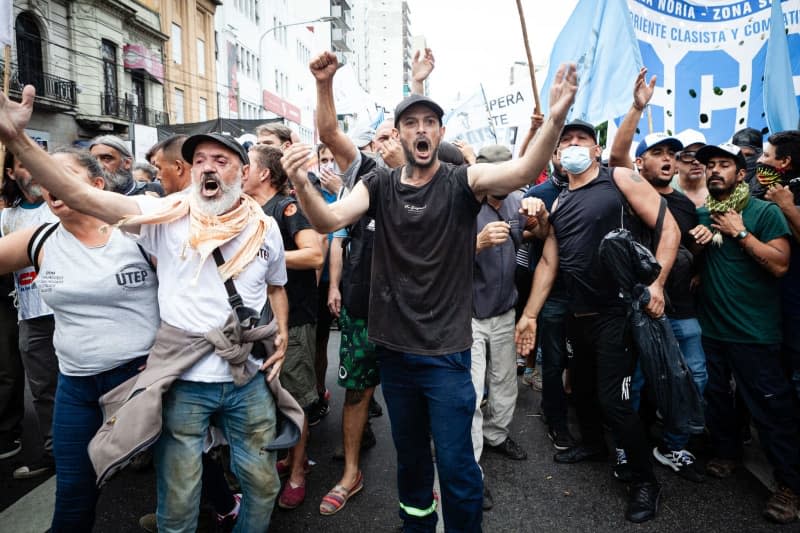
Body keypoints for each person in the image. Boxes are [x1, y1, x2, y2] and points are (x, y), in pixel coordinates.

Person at [286, 50, 578, 532]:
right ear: (399, 135)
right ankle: (417, 526)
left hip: (445, 356)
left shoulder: (464, 181)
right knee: (412, 462)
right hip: (395, 355)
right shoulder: (378, 184)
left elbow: (524, 171)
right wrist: (301, 181)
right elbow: (330, 219)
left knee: (459, 467)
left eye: (430, 123)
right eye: (411, 123)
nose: (421, 130)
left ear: (440, 134)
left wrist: (557, 117)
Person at [0, 83, 290, 532]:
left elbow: (276, 287)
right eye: (199, 161)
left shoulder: (266, 227)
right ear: (190, 170)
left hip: (246, 377)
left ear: (242, 170)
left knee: (262, 483)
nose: (208, 168)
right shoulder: (164, 218)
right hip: (182, 383)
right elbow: (85, 198)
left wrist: (282, 331)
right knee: (176, 499)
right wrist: (18, 141)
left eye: (221, 160)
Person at [515, 111, 682, 522]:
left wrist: (657, 285)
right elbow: (549, 263)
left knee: (615, 401)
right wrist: (531, 316)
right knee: (583, 392)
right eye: (566, 140)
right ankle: (593, 444)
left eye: (581, 139)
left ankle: (645, 482)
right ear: (556, 154)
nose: (573, 145)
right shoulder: (561, 201)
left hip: (618, 314)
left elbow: (669, 229)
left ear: (596, 149)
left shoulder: (619, 179)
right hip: (578, 315)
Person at [0, 147, 159, 531]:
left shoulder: (136, 229)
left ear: (98, 186)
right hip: (76, 384)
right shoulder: (39, 239)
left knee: (184, 469)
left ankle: (224, 503)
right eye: (45, 176)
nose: (51, 182)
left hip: (143, 379)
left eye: (63, 175)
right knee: (74, 490)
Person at [609, 68, 712, 483]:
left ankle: (673, 445)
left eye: (673, 154)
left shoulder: (686, 204)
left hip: (681, 309)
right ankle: (627, 450)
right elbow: (615, 158)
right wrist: (637, 108)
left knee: (695, 375)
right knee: (633, 383)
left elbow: (688, 253)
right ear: (641, 162)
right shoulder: (628, 189)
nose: (669, 159)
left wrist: (701, 248)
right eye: (659, 153)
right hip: (640, 309)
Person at [694, 142, 800, 524]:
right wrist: (697, 251)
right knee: (718, 399)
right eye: (710, 166)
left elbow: (780, 265)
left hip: (756, 334)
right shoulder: (703, 214)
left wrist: (741, 234)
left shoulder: (764, 212)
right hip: (713, 330)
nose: (716, 170)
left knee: (772, 410)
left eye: (725, 164)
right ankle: (726, 453)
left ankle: (790, 486)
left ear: (743, 174)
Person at [244, 143, 324, 510]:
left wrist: (261, 256)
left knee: (293, 399)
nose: (240, 170)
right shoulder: (247, 210)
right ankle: (289, 455)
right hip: (256, 323)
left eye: (247, 165)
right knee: (268, 397)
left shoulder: (287, 208)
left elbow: (314, 254)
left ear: (264, 173)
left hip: (293, 320)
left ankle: (297, 472)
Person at [469, 144, 529, 511]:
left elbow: (533, 239)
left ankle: (496, 436)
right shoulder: (462, 204)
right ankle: (469, 469)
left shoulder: (516, 201)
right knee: (472, 393)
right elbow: (437, 258)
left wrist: (538, 221)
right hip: (469, 315)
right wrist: (475, 243)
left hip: (506, 309)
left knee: (506, 383)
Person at [1, 152, 59, 479]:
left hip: (68, 311)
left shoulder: (59, 205)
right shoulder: (7, 217)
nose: (33, 170)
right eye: (23, 164)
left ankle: (105, 447)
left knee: (86, 385)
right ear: (11, 172)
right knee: (43, 389)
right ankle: (54, 452)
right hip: (31, 315)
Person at [761, 130, 800, 403]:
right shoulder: (769, 191)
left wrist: (788, 207)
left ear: (784, 162)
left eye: (765, 156)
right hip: (776, 305)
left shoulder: (787, 196)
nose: (761, 162)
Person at [89, 135, 162, 196]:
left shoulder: (156, 191)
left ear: (127, 163)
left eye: (107, 158)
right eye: (93, 160)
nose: (98, 165)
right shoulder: (86, 198)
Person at [672, 129, 707, 207]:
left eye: (701, 154)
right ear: (676, 161)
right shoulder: (666, 188)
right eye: (688, 155)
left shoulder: (718, 187)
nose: (697, 162)